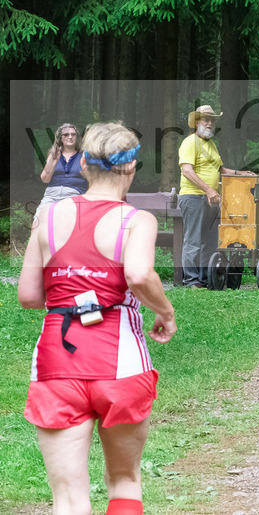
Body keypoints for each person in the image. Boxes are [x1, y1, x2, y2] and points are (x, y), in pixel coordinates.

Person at [18, 122, 177, 515]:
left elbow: (29, 296)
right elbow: (139, 275)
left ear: (84, 164)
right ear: (131, 168)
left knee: (69, 499)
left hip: (57, 361)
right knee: (124, 480)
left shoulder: (48, 217)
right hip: (120, 364)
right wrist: (165, 313)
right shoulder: (137, 221)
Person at [177, 105, 255, 288]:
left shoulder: (211, 144)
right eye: (206, 119)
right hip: (194, 197)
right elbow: (187, 171)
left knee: (210, 241)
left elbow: (219, 169)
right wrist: (208, 190)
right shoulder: (190, 142)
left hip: (210, 199)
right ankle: (190, 280)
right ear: (197, 122)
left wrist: (240, 173)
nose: (210, 123)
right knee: (194, 240)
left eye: (212, 120)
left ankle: (205, 278)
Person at [36, 123, 88, 222]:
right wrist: (55, 161)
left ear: (77, 137)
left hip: (73, 194)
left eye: (73, 134)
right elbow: (45, 179)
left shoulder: (84, 155)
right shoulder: (53, 153)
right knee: (38, 221)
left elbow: (90, 178)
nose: (70, 137)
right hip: (51, 195)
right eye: (66, 135)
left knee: (68, 222)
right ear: (60, 138)